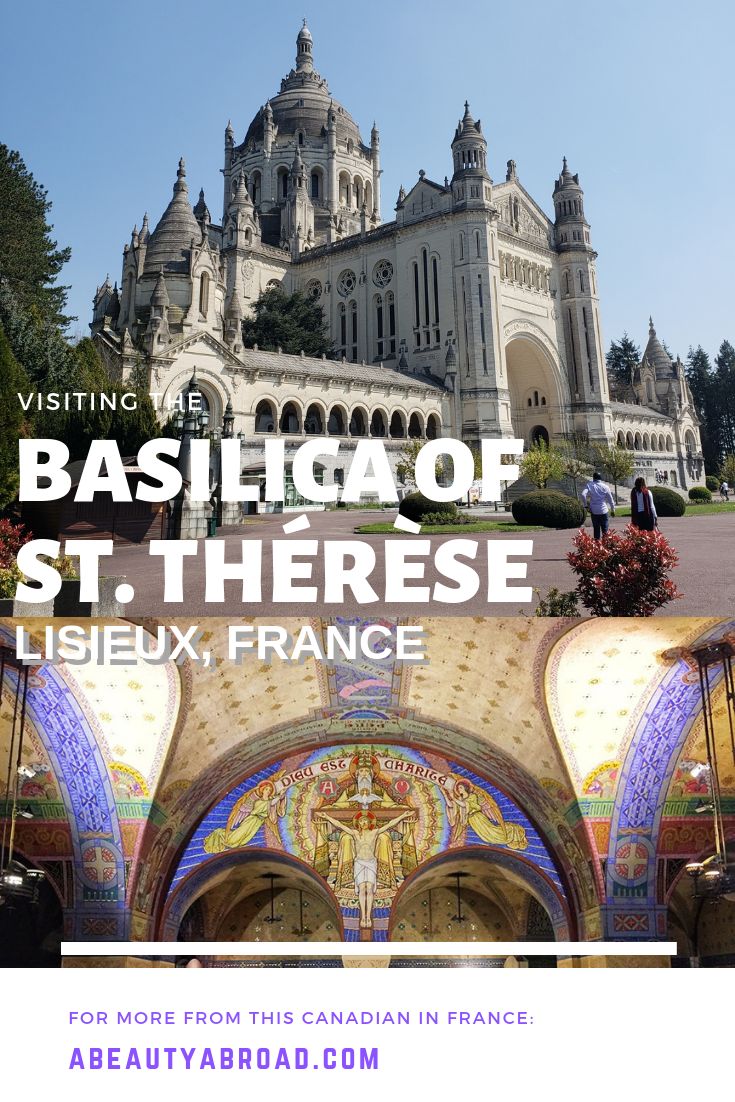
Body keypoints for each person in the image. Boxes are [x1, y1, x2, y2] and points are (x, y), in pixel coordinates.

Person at [317, 808, 415, 928]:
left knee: (370, 888)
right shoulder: (355, 834)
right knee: (362, 889)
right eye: (361, 821)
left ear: (370, 823)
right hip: (359, 863)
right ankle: (363, 916)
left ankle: (369, 916)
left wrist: (403, 815)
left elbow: (390, 824)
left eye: (366, 821)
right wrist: (326, 817)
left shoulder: (374, 833)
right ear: (358, 824)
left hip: (371, 863)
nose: (363, 823)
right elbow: (340, 825)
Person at [581, 472, 615, 539]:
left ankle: (597, 547)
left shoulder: (589, 485)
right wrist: (613, 509)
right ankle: (605, 547)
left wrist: (585, 506)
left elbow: (583, 494)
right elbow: (610, 499)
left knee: (596, 531)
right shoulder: (605, 486)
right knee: (605, 531)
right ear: (600, 478)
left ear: (593, 478)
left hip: (594, 511)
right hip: (603, 510)